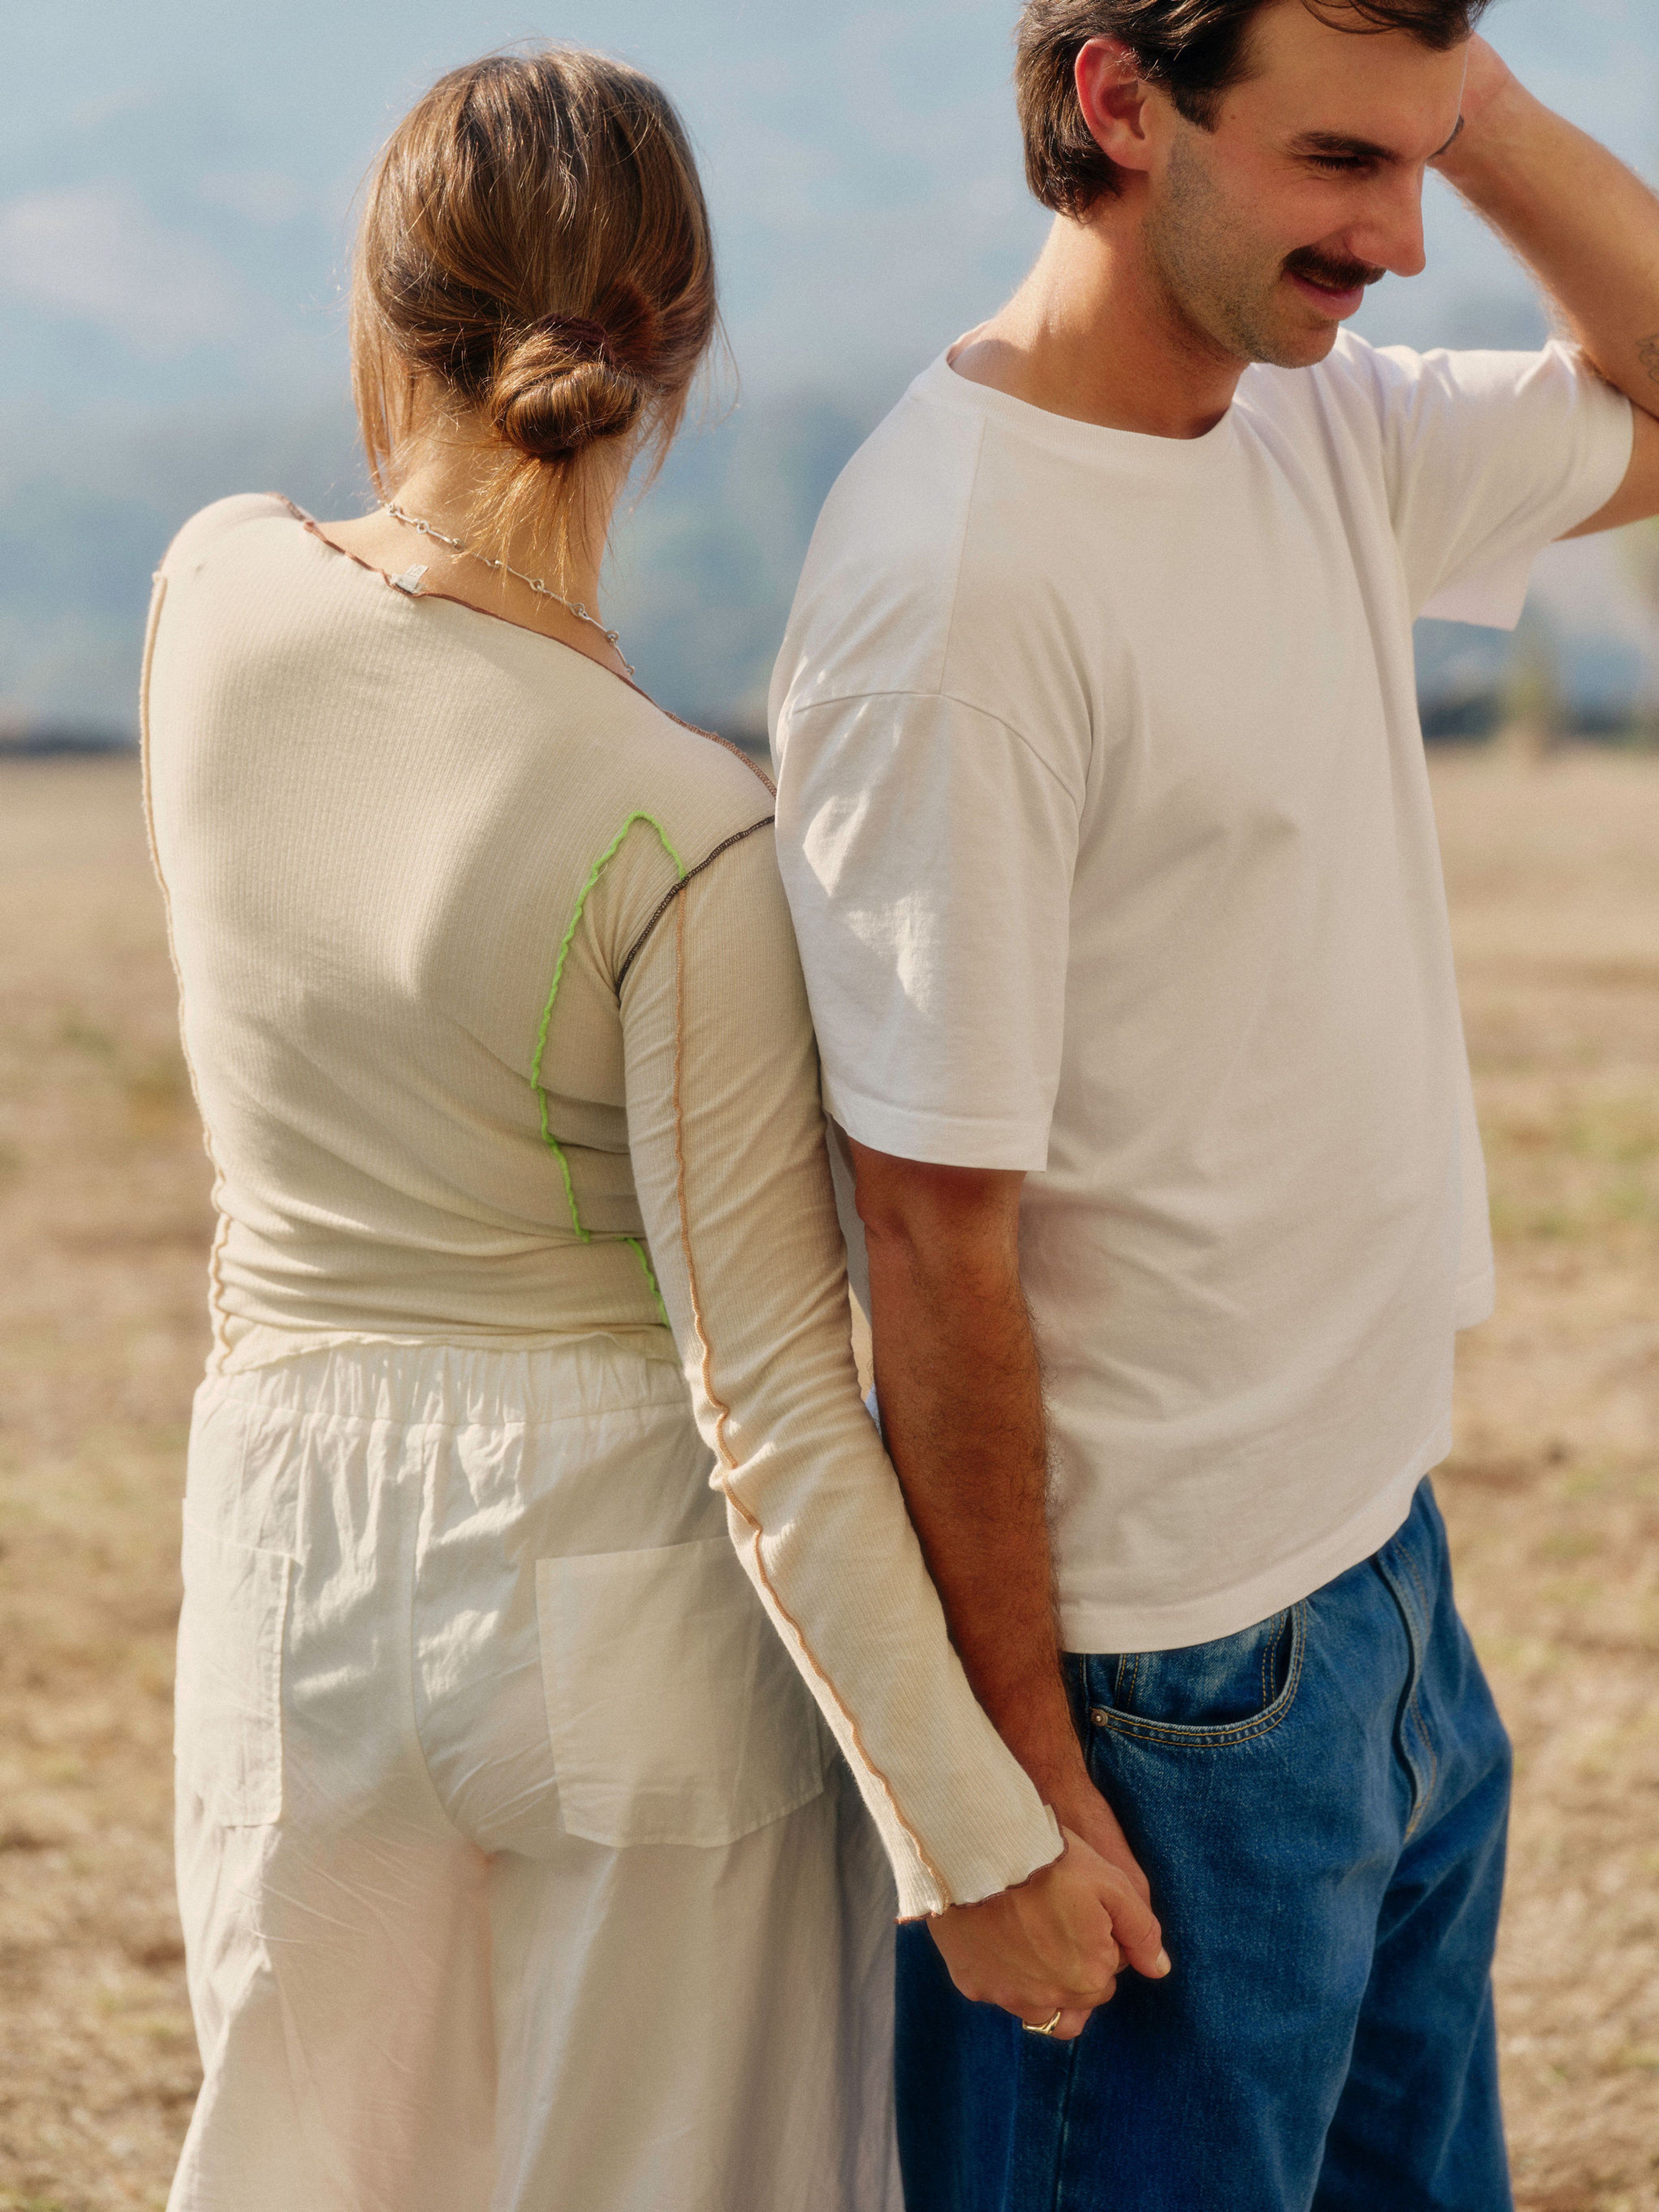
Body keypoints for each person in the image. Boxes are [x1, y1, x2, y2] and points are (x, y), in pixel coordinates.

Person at [141, 46, 1165, 2212]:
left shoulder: (206, 596)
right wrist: (978, 1842)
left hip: (288, 1556)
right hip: (620, 1603)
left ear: (378, 305)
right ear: (674, 350)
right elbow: (775, 1400)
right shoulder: (688, 831)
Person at [769, 3, 1659, 2206]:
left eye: (1423, 161)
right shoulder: (954, 597)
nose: (1408, 243)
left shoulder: (1313, 420)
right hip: (1158, 1685)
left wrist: (1482, 111)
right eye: (1343, 165)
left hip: (1383, 1576)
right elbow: (927, 1236)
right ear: (1115, 103)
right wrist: (1018, 1792)